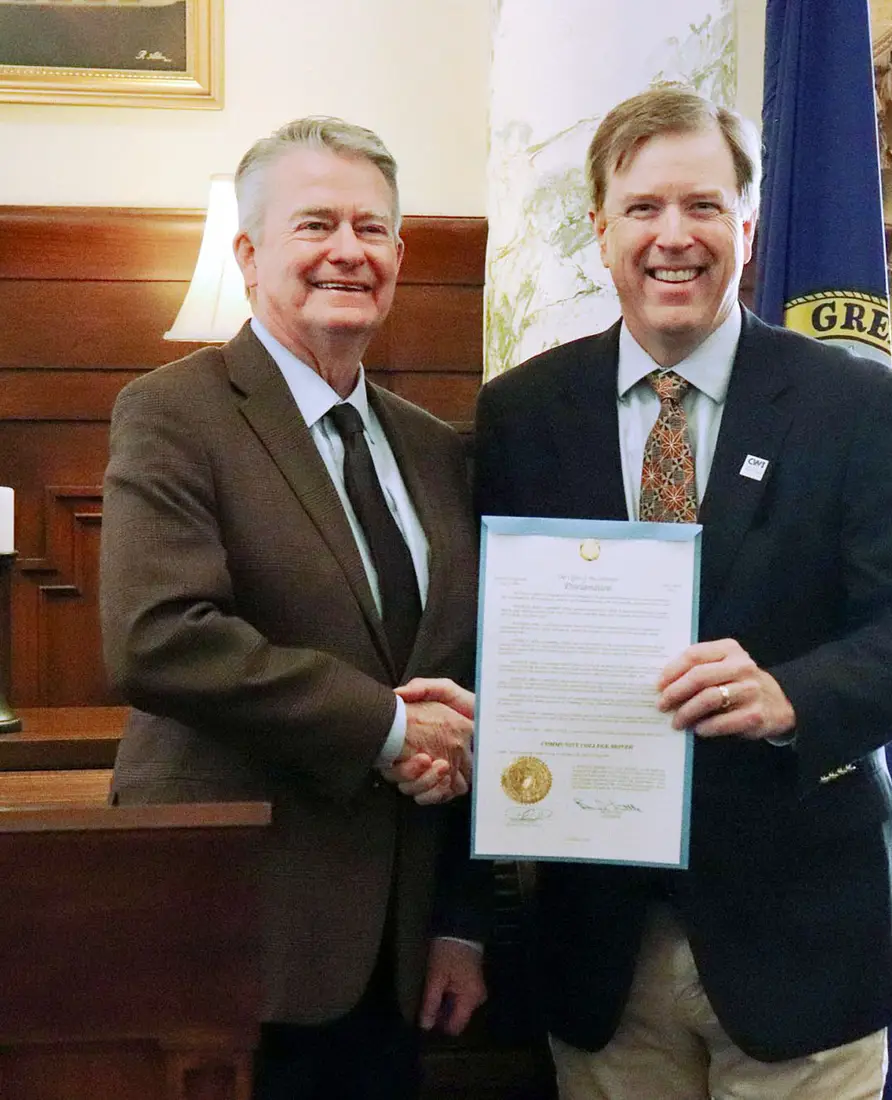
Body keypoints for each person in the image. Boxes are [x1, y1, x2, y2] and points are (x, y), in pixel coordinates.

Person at [474, 85, 892, 1100]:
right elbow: (488, 648)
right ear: (599, 228)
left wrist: (792, 694)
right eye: (644, 207)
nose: (674, 236)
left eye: (703, 205)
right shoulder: (521, 415)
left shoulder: (851, 403)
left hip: (803, 934)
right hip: (602, 949)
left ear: (745, 226)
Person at [100, 117, 486, 1100]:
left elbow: (460, 682)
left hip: (395, 954)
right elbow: (158, 637)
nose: (347, 251)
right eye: (315, 224)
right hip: (235, 927)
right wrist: (386, 725)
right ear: (247, 252)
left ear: (398, 257)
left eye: (371, 228)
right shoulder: (173, 412)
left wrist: (458, 922)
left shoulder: (433, 447)